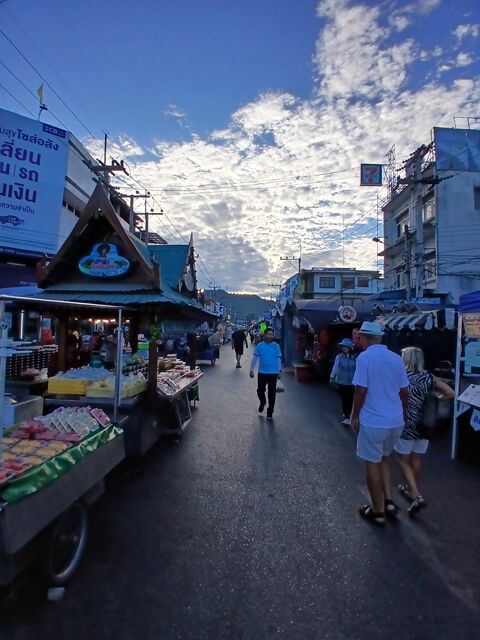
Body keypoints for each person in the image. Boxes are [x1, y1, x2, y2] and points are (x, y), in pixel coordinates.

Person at [350, 321, 409, 526]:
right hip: (395, 421)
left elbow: (360, 390)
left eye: (360, 338)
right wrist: (404, 411)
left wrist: (354, 416)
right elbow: (404, 391)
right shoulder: (396, 358)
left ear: (365, 338)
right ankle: (389, 502)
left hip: (374, 422)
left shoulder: (365, 358)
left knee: (372, 464)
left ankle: (377, 512)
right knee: (384, 459)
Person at [395, 346, 454, 515]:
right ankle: (409, 487)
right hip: (425, 423)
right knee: (416, 457)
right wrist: (435, 399)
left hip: (406, 423)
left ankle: (416, 495)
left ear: (406, 359)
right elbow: (450, 393)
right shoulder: (429, 377)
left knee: (401, 459)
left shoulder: (402, 377)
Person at [249, 328, 282, 420]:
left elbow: (278, 358)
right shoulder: (260, 345)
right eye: (269, 334)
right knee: (260, 390)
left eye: (272, 334)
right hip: (262, 372)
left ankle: (270, 412)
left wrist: (279, 370)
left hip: (273, 373)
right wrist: (251, 370)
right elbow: (255, 358)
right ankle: (262, 402)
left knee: (272, 393)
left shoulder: (276, 346)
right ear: (265, 335)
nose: (270, 336)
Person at [330, 338, 357, 425]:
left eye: (346, 347)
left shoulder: (355, 357)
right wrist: (332, 377)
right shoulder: (339, 357)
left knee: (351, 399)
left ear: (350, 347)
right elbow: (335, 367)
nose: (344, 348)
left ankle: (350, 414)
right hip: (342, 381)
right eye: (343, 347)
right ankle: (346, 416)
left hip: (352, 382)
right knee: (344, 399)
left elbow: (358, 369)